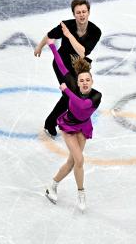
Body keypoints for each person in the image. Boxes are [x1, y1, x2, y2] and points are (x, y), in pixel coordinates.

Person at [44, 30, 101, 211]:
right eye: (81, 80)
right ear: (77, 80)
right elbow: (61, 65)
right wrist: (52, 46)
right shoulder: (72, 82)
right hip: (68, 126)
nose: (84, 83)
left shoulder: (97, 96)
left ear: (92, 81)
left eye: (87, 80)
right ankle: (81, 194)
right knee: (79, 159)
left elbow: (83, 106)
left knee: (72, 163)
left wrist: (66, 91)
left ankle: (52, 185)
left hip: (84, 127)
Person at [34, 0, 102, 138]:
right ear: (74, 14)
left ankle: (64, 120)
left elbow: (82, 52)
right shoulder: (66, 25)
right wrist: (39, 46)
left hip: (78, 65)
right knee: (68, 95)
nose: (82, 15)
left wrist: (69, 35)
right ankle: (51, 123)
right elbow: (49, 35)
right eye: (78, 12)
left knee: (78, 95)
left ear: (88, 12)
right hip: (62, 63)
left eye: (84, 11)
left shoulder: (95, 31)